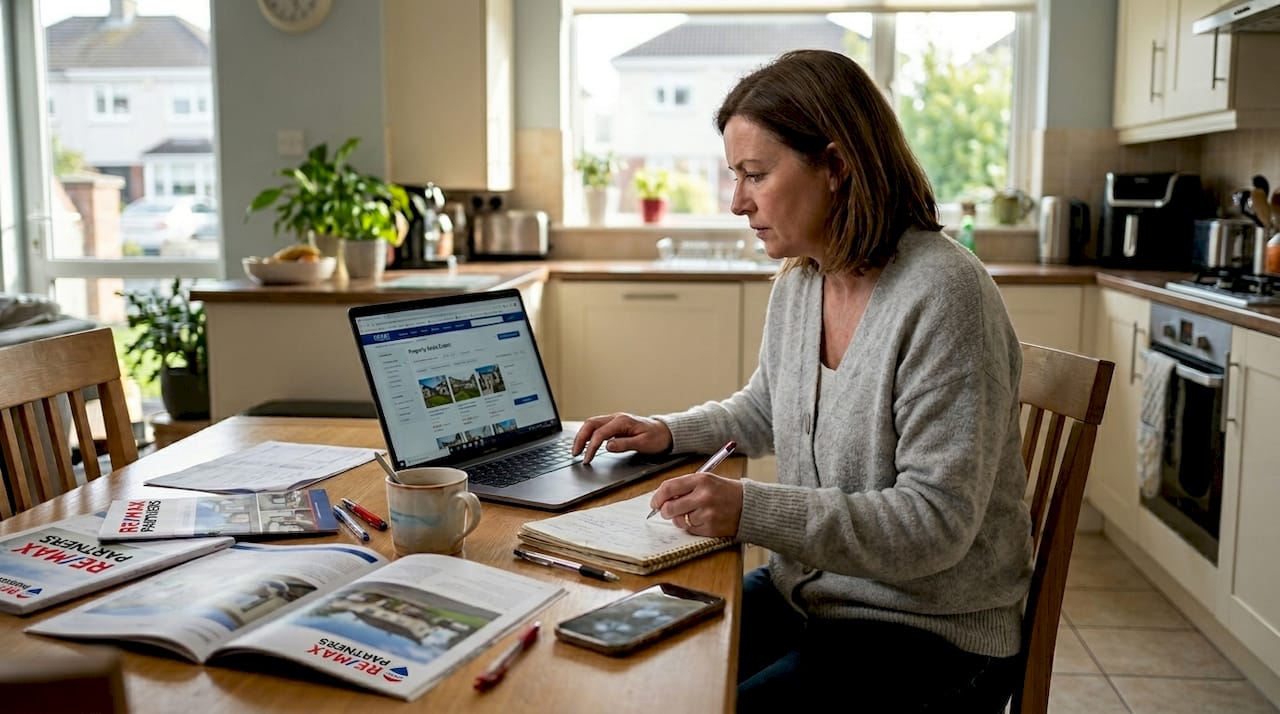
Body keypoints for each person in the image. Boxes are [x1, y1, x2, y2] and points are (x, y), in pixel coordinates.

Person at [572, 49, 1031, 712]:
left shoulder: (945, 295)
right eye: (735, 176)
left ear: (838, 166)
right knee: (638, 680)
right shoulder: (804, 280)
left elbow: (935, 524)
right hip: (810, 595)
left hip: (927, 631)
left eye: (755, 174)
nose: (737, 202)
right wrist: (667, 431)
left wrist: (750, 509)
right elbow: (766, 408)